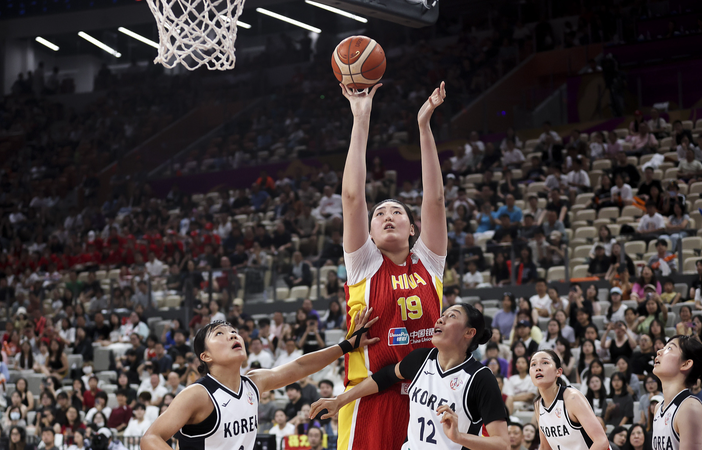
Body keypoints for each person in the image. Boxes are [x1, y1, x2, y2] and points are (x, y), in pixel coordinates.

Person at [332, 82, 449, 450]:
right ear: (367, 232)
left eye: (396, 211)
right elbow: (352, 197)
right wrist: (361, 118)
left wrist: (424, 126)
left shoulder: (429, 260)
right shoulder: (364, 263)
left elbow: (436, 199)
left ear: (412, 228)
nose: (386, 216)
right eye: (379, 213)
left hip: (427, 398)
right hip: (370, 399)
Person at [139, 308, 379, 450]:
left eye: (233, 331)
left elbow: (300, 366)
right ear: (206, 356)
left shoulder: (253, 383)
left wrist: (347, 345)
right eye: (219, 334)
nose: (232, 334)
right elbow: (150, 438)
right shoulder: (198, 395)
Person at [309, 303, 509, 450]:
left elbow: (502, 444)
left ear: (469, 332)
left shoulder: (481, 378)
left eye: (452, 317)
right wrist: (340, 400)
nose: (440, 319)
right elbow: (384, 377)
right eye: (443, 315)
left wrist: (458, 437)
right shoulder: (421, 359)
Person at [529, 350, 610, 450]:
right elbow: (546, 447)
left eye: (545, 362)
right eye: (533, 364)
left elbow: (601, 441)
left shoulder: (572, 398)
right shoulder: (538, 405)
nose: (538, 368)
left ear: (558, 372)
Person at [651, 335, 702, 450]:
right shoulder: (658, 408)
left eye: (669, 348)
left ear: (686, 364)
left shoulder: (689, 407)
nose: (659, 351)